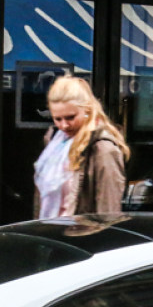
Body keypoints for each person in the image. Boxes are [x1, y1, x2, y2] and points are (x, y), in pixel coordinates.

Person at [34, 76, 129, 217]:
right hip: (52, 231)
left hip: (81, 235)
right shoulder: (54, 144)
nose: (64, 125)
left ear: (87, 110)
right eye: (57, 119)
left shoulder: (103, 149)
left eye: (70, 117)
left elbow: (108, 210)